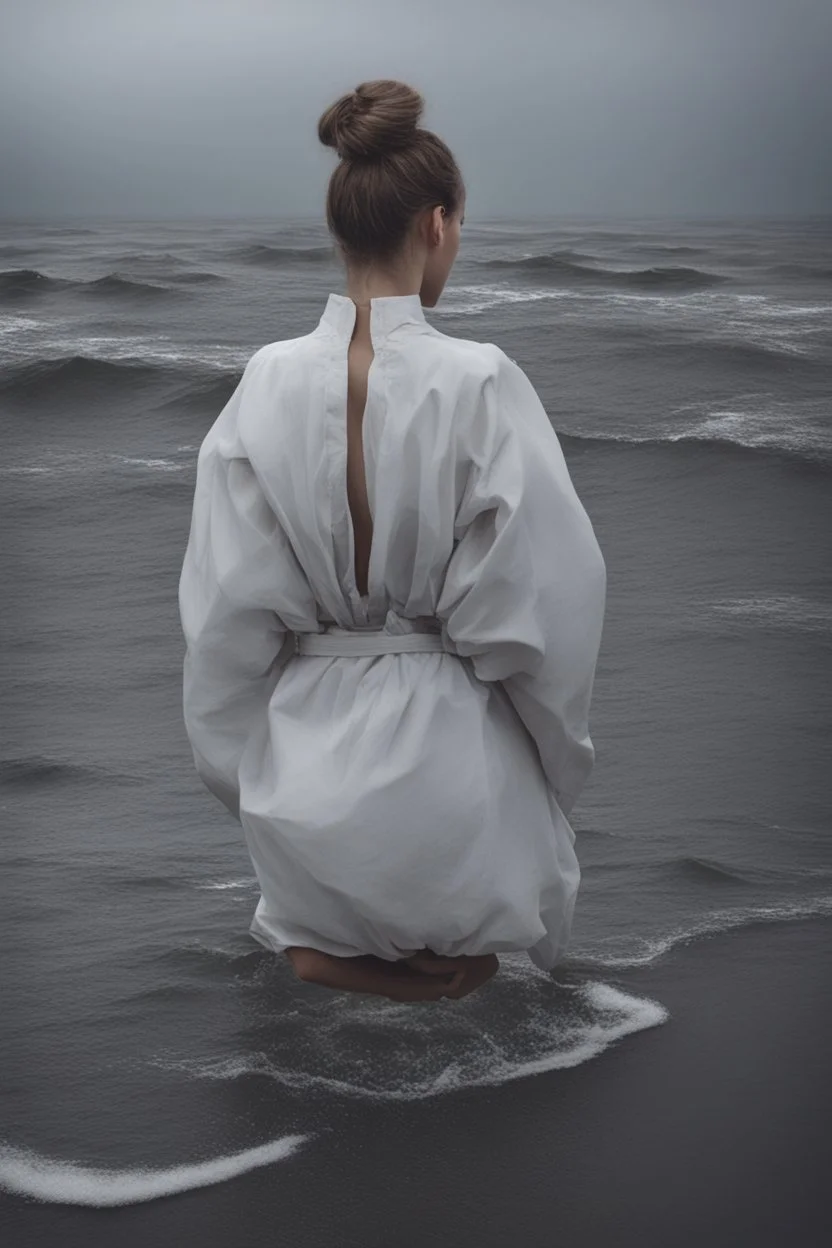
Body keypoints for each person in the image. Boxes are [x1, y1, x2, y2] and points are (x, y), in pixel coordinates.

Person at [178, 79, 607, 1004]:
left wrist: (246, 779)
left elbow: (225, 616)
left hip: (310, 782)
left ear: (340, 233)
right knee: (490, 909)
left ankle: (326, 938)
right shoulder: (481, 380)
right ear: (440, 224)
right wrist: (555, 770)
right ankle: (451, 953)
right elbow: (546, 613)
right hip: (453, 782)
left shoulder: (266, 380)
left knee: (319, 894)